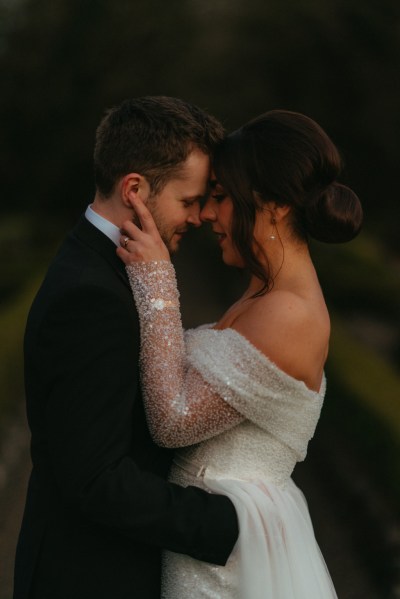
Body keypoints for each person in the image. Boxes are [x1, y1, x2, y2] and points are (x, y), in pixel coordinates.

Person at [118, 109, 363, 598]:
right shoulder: (263, 296)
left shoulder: (289, 314)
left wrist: (157, 283)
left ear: (272, 205)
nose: (208, 214)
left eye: (222, 198)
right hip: (212, 539)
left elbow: (173, 420)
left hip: (230, 558)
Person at [13, 96, 239, 599]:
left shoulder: (104, 266)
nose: (200, 217)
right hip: (89, 576)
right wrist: (233, 523)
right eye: (188, 200)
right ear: (134, 188)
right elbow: (95, 477)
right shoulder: (92, 296)